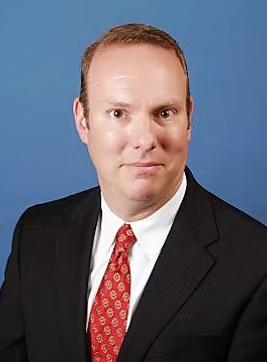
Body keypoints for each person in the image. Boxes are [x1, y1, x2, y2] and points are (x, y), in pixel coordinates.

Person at [0, 23, 267, 362]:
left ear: (189, 119)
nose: (144, 139)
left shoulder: (256, 262)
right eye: (118, 113)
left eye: (164, 113)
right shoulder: (35, 233)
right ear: (83, 122)